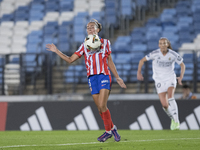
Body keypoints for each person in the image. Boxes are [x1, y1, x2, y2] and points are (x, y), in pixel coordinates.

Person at [46, 19, 126, 142]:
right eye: (88, 27)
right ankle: (113, 128)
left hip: (104, 75)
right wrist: (56, 51)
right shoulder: (84, 45)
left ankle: (108, 131)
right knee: (100, 108)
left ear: (98, 29)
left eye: (92, 27)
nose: (90, 29)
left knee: (103, 105)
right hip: (92, 78)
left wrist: (117, 77)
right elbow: (70, 59)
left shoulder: (105, 43)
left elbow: (109, 61)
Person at [137, 37, 185, 130]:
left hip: (170, 78)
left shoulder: (173, 54)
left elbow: (182, 64)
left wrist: (181, 76)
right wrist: (139, 72)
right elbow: (141, 60)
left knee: (171, 97)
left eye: (164, 43)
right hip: (159, 80)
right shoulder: (155, 54)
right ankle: (173, 119)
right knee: (165, 105)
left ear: (167, 44)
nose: (162, 45)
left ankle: (177, 121)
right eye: (160, 43)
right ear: (158, 45)